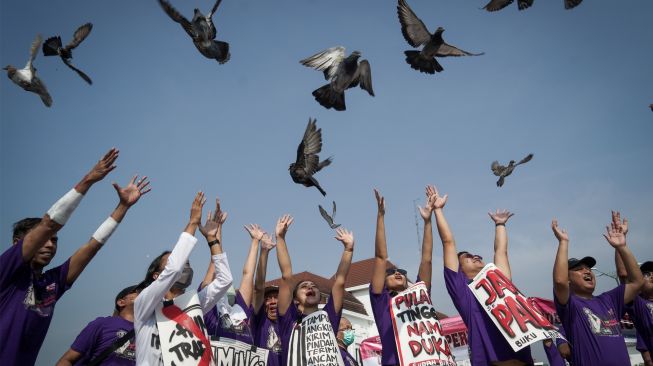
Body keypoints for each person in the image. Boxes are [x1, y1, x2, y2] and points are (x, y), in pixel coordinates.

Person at [0, 148, 150, 365]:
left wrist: (122, 207)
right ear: (17, 244)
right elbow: (49, 223)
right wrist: (89, 180)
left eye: (55, 240)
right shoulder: (7, 270)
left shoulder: (51, 284)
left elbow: (92, 247)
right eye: (45, 238)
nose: (50, 244)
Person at [433, 185, 533, 365]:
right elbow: (448, 243)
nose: (475, 256)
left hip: (522, 358)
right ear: (459, 270)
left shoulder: (497, 280)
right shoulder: (462, 290)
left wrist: (500, 224)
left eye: (477, 255)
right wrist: (438, 210)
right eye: (468, 257)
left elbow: (501, 252)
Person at [133, 192, 233, 366]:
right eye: (181, 260)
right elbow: (174, 268)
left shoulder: (191, 305)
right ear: (157, 276)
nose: (185, 265)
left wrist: (212, 240)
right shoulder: (145, 305)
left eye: (188, 263)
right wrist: (193, 223)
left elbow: (224, 280)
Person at [552, 218, 643, 366]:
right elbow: (559, 282)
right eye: (578, 269)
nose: (587, 271)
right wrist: (563, 242)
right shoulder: (570, 306)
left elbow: (637, 282)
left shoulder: (610, 300)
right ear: (568, 279)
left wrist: (622, 247)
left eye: (588, 268)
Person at [275, 214, 355, 366]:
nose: (310, 287)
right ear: (295, 299)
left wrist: (348, 250)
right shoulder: (288, 319)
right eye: (304, 286)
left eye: (313, 286)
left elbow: (339, 282)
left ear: (320, 298)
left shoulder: (328, 317)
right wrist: (280, 238)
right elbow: (286, 276)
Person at [56, 285, 141, 365]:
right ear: (121, 302)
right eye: (137, 291)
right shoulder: (103, 324)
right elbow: (67, 359)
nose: (142, 292)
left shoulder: (148, 332)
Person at [611, 211, 653, 366]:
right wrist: (621, 244)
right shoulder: (640, 305)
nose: (652, 276)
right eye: (647, 274)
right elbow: (623, 274)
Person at [252, 232, 281, 366]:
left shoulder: (290, 324)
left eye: (276, 297)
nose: (273, 301)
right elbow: (258, 287)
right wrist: (264, 252)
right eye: (268, 298)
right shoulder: (260, 320)